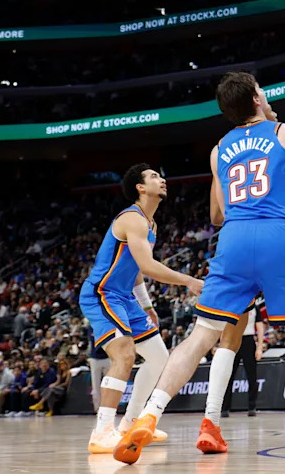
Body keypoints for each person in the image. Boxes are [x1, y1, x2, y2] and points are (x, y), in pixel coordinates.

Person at [113, 72, 285, 463]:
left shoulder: (219, 149)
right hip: (277, 236)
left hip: (233, 239)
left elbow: (217, 214)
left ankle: (147, 416)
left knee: (201, 336)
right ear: (254, 98)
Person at [79, 164, 202, 454]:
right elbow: (148, 266)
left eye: (162, 175)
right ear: (140, 187)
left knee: (160, 359)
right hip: (102, 293)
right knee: (124, 352)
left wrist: (146, 306)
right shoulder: (132, 218)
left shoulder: (151, 225)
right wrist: (188, 281)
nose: (163, 180)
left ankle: (131, 423)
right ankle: (102, 431)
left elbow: (136, 271)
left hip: (126, 297)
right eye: (154, 177)